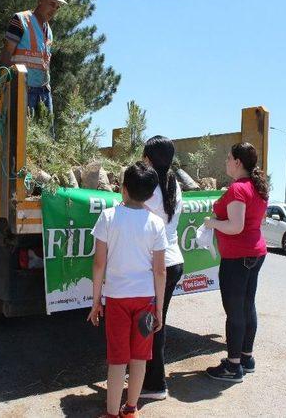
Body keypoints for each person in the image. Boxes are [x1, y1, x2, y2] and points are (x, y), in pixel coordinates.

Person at [88, 162, 168, 418]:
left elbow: (99, 263)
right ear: (151, 193)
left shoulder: (109, 217)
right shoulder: (156, 223)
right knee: (139, 358)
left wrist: (96, 301)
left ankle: (111, 413)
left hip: (117, 299)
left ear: (123, 189)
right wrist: (159, 308)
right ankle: (130, 409)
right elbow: (160, 271)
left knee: (117, 359)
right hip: (145, 301)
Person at [203, 142, 269, 382]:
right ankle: (245, 358)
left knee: (235, 311)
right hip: (254, 252)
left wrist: (212, 224)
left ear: (238, 162)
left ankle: (233, 366)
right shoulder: (256, 188)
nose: (226, 162)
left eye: (229, 158)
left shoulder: (239, 189)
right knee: (247, 305)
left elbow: (235, 226)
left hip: (237, 257)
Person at [139, 136, 184, 400]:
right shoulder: (173, 183)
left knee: (153, 324)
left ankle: (155, 384)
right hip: (173, 260)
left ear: (148, 158)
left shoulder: (148, 186)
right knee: (158, 322)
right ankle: (148, 375)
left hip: (157, 264)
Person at [0, 0, 66, 114]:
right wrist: (6, 85)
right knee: (20, 132)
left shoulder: (49, 31)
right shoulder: (21, 19)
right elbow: (7, 52)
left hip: (44, 91)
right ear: (40, 1)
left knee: (46, 132)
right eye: (52, 4)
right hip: (22, 89)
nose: (54, 9)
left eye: (57, 7)